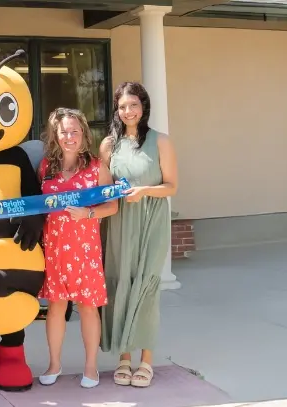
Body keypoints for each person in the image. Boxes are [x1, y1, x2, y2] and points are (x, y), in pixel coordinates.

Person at [99, 82, 179, 388]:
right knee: (119, 283)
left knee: (146, 284)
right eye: (122, 106)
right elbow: (103, 190)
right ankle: (124, 356)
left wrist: (144, 190)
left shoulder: (161, 142)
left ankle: (146, 360)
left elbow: (172, 186)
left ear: (143, 107)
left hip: (150, 220)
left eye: (133, 104)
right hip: (119, 222)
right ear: (117, 110)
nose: (128, 111)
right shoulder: (108, 145)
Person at [34, 108, 118, 389]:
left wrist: (89, 214)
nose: (69, 137)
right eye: (64, 132)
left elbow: (113, 205)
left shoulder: (97, 167)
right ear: (55, 136)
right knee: (56, 308)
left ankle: (91, 367)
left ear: (84, 134)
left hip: (85, 250)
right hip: (55, 249)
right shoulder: (46, 167)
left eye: (75, 131)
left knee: (88, 308)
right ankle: (54, 364)